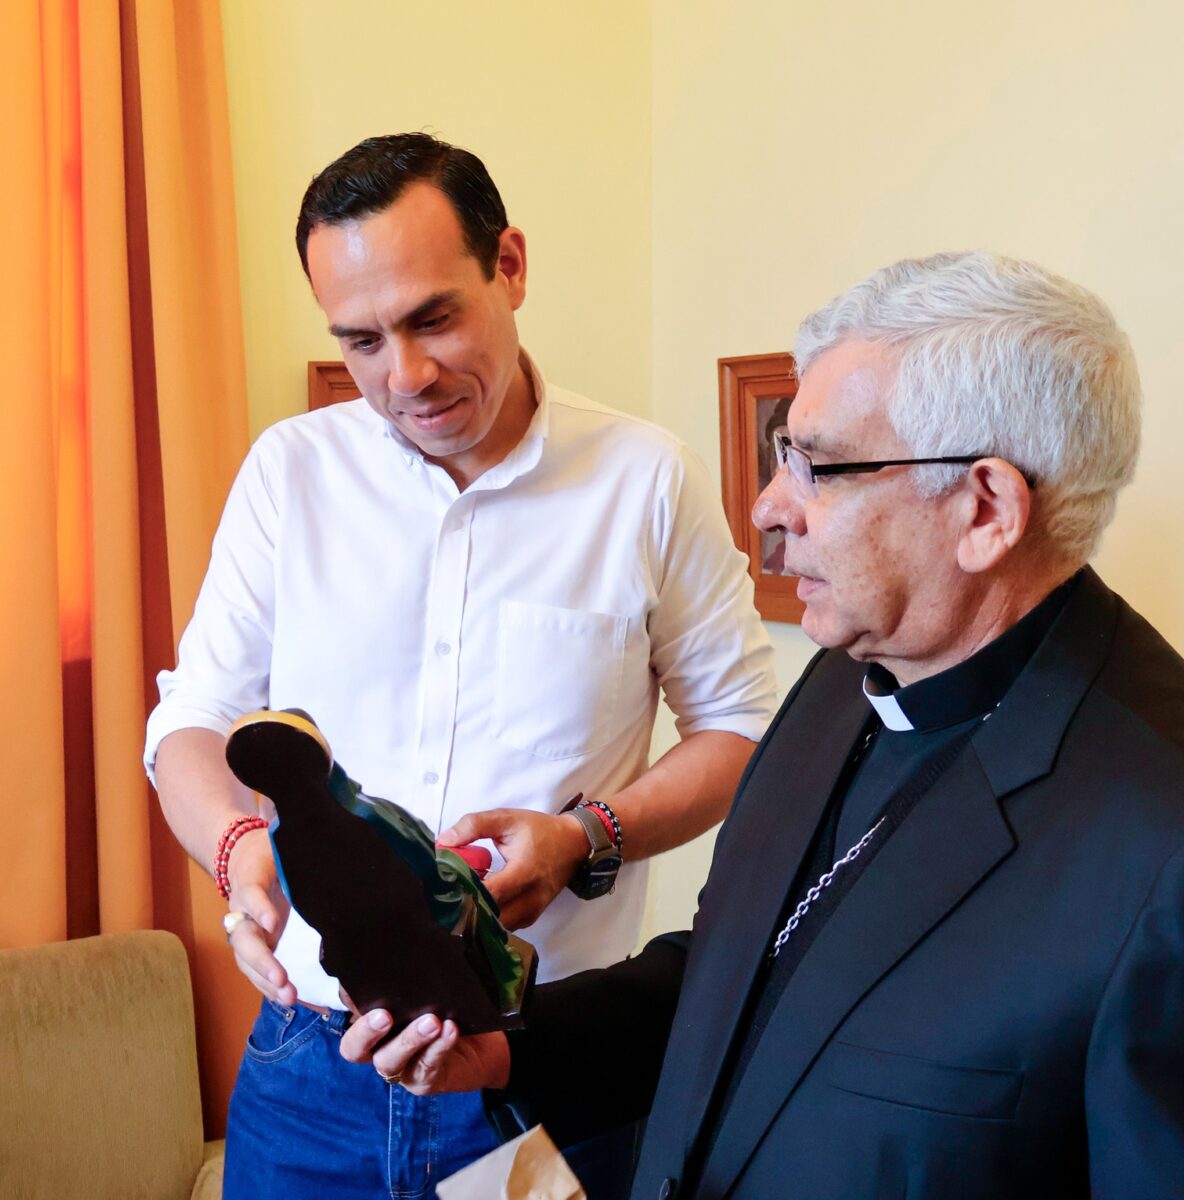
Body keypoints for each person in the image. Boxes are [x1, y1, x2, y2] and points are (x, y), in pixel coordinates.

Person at [346, 251, 1184, 1199]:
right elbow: (737, 976)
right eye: (785, 453)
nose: (769, 506)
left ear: (985, 510)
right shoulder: (844, 675)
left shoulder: (1160, 843)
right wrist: (511, 1047)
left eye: (819, 466)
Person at [142, 132, 775, 1199]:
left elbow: (744, 729)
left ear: (509, 266)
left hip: (539, 1064)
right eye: (362, 341)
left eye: (433, 318)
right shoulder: (290, 474)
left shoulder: (645, 480)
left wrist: (586, 837)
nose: (407, 376)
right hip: (313, 1070)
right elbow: (192, 718)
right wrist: (239, 847)